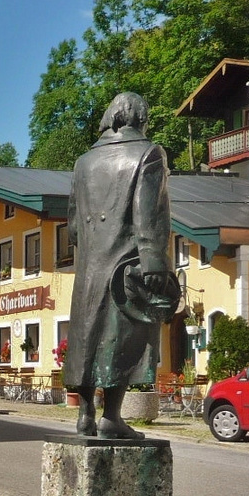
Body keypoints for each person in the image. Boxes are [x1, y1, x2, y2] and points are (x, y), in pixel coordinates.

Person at [60, 91, 176, 440]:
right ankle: (111, 416)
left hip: (91, 268)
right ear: (140, 118)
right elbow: (147, 213)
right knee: (126, 337)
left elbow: (74, 226)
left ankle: (84, 413)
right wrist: (153, 259)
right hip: (127, 264)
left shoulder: (83, 163)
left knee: (87, 336)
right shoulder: (148, 153)